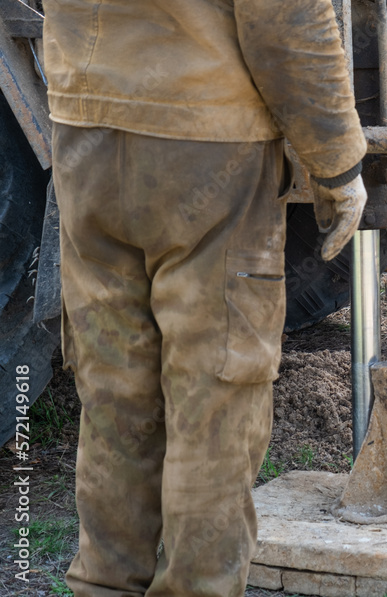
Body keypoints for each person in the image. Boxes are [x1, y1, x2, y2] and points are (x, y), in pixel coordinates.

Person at [45, 0, 367, 594]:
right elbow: (286, 18)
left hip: (85, 132)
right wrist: (338, 163)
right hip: (208, 139)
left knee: (114, 388)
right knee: (214, 397)